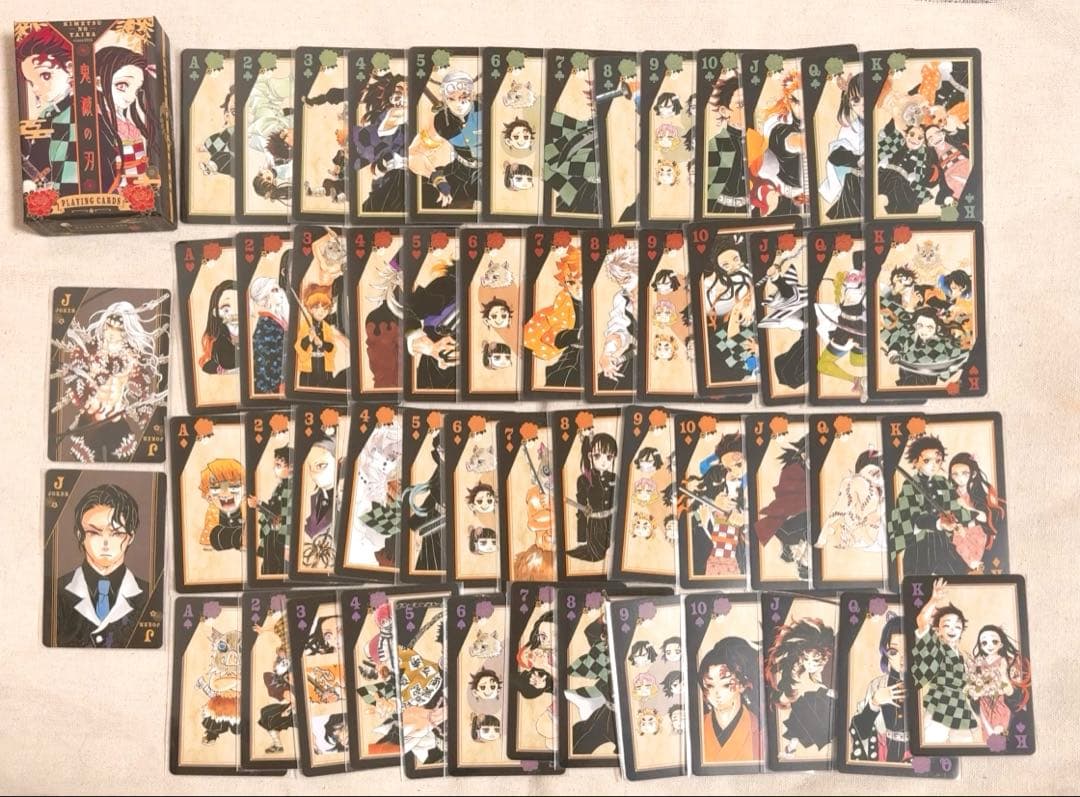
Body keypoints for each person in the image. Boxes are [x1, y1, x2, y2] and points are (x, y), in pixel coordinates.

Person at [53, 296, 168, 463]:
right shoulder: (89, 350)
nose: (112, 334)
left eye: (118, 329)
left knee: (127, 465)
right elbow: (73, 378)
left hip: (116, 423)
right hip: (89, 422)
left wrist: (145, 418)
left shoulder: (134, 358)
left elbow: (142, 393)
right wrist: (87, 384)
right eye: (109, 327)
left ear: (126, 332)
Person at [54, 483, 149, 647]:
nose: (105, 544)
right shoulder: (54, 592)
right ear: (80, 534)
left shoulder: (150, 595)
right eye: (94, 532)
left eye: (117, 533)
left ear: (130, 537)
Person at [888, 436, 974, 576]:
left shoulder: (942, 482)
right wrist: (939, 523)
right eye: (927, 461)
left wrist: (957, 519)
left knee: (960, 576)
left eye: (938, 461)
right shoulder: (910, 485)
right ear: (915, 462)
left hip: (943, 542)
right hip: (919, 545)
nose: (933, 465)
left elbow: (955, 505)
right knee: (917, 581)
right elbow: (913, 518)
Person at [911, 578, 977, 744]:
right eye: (947, 625)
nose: (952, 629)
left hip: (959, 708)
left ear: (962, 630)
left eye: (957, 626)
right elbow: (921, 621)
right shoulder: (935, 647)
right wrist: (934, 600)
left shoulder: (962, 656)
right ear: (938, 630)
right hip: (939, 706)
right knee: (933, 745)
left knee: (964, 745)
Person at [16, 25, 76, 196]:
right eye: (31, 82)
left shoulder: (82, 112)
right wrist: (31, 181)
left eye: (45, 75)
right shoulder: (46, 114)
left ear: (70, 68)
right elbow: (38, 160)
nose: (36, 88)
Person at [766, 617, 835, 756]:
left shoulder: (829, 671)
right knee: (799, 713)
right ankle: (791, 749)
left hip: (825, 705)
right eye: (806, 659)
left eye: (815, 660)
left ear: (824, 658)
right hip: (808, 703)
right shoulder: (799, 669)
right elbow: (787, 690)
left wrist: (830, 693)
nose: (809, 664)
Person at [848, 614, 910, 762]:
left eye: (908, 649)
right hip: (884, 751)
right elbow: (859, 731)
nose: (902, 657)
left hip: (916, 753)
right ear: (885, 653)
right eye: (894, 651)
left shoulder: (926, 685)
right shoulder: (876, 685)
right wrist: (874, 703)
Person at [524, 247, 583, 388]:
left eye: (582, 281)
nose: (578, 288)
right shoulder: (565, 301)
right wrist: (577, 335)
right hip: (574, 355)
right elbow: (554, 334)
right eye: (571, 282)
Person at [698, 636, 761, 762]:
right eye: (710, 685)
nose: (716, 693)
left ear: (742, 685)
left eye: (726, 684)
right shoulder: (699, 726)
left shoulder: (758, 728)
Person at [755, 436, 809, 579]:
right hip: (790, 520)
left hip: (795, 522)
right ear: (803, 455)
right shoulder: (793, 470)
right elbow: (787, 496)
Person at [353, 71, 407, 212]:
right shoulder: (388, 115)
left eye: (408, 92)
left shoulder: (407, 119)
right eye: (399, 92)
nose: (404, 97)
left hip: (401, 179)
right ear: (391, 97)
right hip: (391, 180)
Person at [567, 432, 618, 563]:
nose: (604, 461)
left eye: (609, 457)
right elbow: (581, 510)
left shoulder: (614, 478)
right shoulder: (583, 480)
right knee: (598, 557)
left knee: (615, 555)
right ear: (590, 456)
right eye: (597, 456)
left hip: (613, 523)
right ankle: (584, 548)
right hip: (595, 525)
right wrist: (581, 538)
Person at [819, 73, 864, 220]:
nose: (862, 105)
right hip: (858, 180)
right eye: (856, 100)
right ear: (849, 103)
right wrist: (858, 160)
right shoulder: (850, 129)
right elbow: (835, 156)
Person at [706, 75, 748, 214]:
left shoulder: (758, 142)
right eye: (740, 105)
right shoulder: (717, 143)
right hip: (722, 211)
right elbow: (709, 191)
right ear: (724, 111)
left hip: (751, 210)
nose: (747, 110)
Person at [247, 446, 291, 576]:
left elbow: (281, 517)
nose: (274, 469)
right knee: (268, 567)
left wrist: (259, 505)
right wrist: (259, 504)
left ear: (291, 467)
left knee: (277, 568)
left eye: (279, 465)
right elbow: (274, 511)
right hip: (272, 534)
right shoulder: (281, 486)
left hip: (280, 537)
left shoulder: (290, 489)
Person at [248, 272, 288, 395]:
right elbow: (262, 363)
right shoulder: (266, 324)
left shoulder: (278, 319)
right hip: (274, 387)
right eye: (274, 290)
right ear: (264, 297)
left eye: (278, 288)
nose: (280, 292)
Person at [199, 459, 244, 551]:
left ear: (245, 490)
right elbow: (209, 542)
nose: (225, 493)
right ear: (208, 495)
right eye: (216, 487)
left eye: (234, 486)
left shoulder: (247, 508)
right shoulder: (213, 512)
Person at [199, 280, 240, 375]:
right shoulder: (219, 340)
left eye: (238, 305)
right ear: (216, 312)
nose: (234, 313)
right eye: (226, 309)